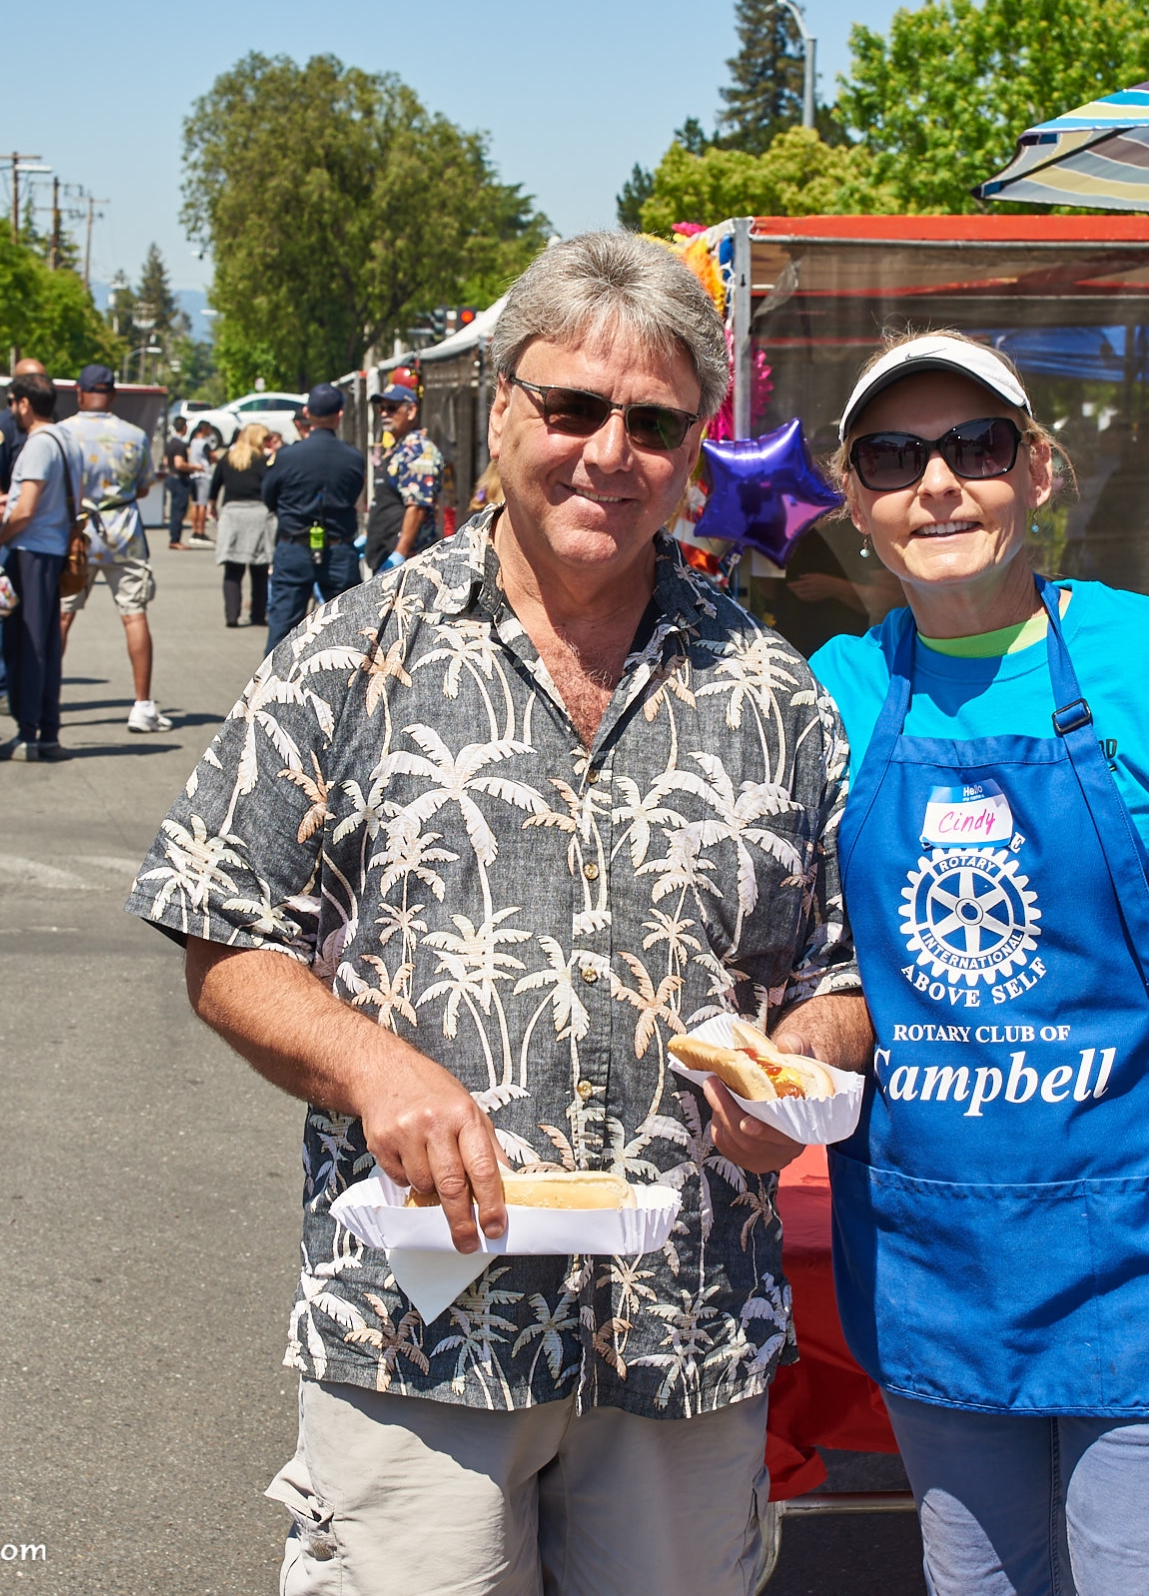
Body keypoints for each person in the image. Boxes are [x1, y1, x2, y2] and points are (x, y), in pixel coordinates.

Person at [127, 231, 868, 1596]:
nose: (609, 454)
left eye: (653, 423)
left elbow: (842, 969)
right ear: (504, 409)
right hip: (421, 1330)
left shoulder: (776, 694)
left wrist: (805, 1066)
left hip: (684, 1328)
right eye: (573, 407)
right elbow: (223, 934)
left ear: (695, 454)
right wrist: (374, 1068)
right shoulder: (351, 653)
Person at [803, 333, 1149, 1596]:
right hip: (942, 1268)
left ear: (1039, 470)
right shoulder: (833, 695)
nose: (937, 483)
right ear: (854, 502)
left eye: (976, 446)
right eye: (893, 457)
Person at [54, 364, 169, 733]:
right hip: (123, 534)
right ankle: (142, 705)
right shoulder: (134, 436)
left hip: (76, 533)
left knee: (62, 615)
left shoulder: (62, 434)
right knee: (134, 615)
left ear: (79, 392)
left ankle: (45, 697)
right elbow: (143, 486)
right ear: (113, 395)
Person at [0, 371, 74, 762]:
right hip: (52, 548)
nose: (10, 410)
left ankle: (28, 734)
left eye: (12, 402)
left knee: (27, 645)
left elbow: (25, 511)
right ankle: (47, 732)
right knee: (46, 645)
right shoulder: (66, 438)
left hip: (30, 551)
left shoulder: (38, 444)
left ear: (24, 403)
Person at [257, 384, 368, 649]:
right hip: (338, 548)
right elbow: (353, 494)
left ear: (307, 413)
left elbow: (269, 497)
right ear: (339, 415)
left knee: (283, 628)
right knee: (346, 628)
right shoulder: (353, 458)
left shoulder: (285, 457)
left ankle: (275, 676)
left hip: (294, 546)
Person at [0, 360, 42, 721]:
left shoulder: (42, 425)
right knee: (7, 609)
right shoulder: (3, 426)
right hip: (7, 530)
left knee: (24, 618)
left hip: (31, 532)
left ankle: (14, 685)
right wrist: (4, 524)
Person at [363, 378, 443, 573]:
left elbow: (417, 506)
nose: (384, 414)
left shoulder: (419, 450)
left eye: (391, 408)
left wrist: (400, 553)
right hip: (383, 555)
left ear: (411, 411)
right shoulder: (398, 448)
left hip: (408, 564)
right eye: (381, 408)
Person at [209, 421, 272, 628]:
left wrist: (212, 506)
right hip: (258, 513)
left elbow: (215, 484)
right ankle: (258, 614)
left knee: (233, 568)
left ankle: (231, 615)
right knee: (259, 568)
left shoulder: (228, 458)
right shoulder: (264, 460)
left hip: (232, 514)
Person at [186, 420, 221, 545]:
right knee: (202, 504)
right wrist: (217, 460)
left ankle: (194, 529)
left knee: (195, 504)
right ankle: (200, 531)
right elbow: (212, 457)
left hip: (194, 474)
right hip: (204, 474)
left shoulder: (193, 442)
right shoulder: (204, 443)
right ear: (204, 429)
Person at [162, 416, 193, 548]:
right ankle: (175, 540)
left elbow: (165, 461)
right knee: (179, 511)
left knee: (174, 509)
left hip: (171, 477)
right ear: (184, 427)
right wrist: (194, 467)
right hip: (179, 479)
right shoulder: (180, 445)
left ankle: (174, 538)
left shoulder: (170, 443)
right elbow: (179, 464)